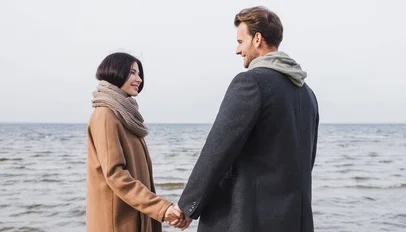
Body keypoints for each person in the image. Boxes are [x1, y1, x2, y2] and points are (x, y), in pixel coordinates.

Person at [177, 6, 319, 232]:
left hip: (248, 220)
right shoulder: (307, 93)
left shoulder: (250, 83)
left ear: (258, 39)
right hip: (293, 220)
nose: (237, 50)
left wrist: (188, 206)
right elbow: (306, 161)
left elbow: (218, 150)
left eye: (240, 41)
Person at [86, 52, 190, 232]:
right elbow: (115, 175)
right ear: (115, 72)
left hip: (134, 214)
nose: (139, 79)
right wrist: (161, 208)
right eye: (132, 72)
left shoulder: (124, 114)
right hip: (118, 222)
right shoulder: (105, 114)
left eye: (139, 74)